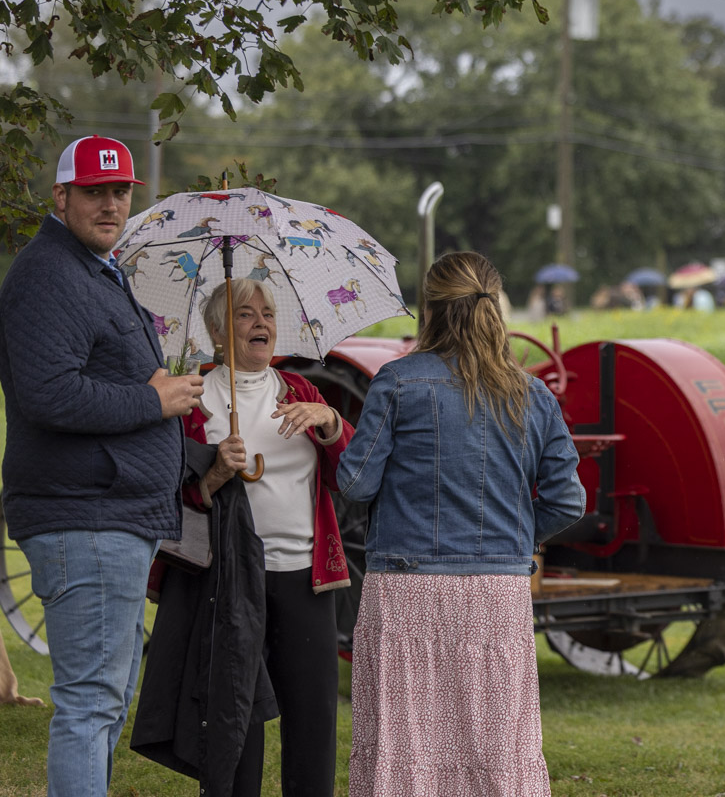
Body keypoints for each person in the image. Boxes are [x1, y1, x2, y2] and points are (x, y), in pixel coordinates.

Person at [0, 135, 204, 797]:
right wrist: (153, 398)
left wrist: (166, 399)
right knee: (90, 705)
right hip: (85, 518)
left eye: (120, 191)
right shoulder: (49, 275)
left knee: (103, 705)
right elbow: (48, 393)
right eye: (95, 191)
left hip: (108, 516)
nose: (111, 204)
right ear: (61, 196)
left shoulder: (95, 270)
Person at [338, 251, 584, 797]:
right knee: (495, 751)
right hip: (497, 594)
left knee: (405, 748)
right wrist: (518, 537)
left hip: (406, 589)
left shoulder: (397, 382)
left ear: (429, 311)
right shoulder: (533, 394)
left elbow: (355, 485)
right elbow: (569, 500)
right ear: (494, 306)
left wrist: (337, 431)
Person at [133, 277, 354, 797]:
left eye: (268, 314)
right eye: (245, 314)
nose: (261, 323)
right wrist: (211, 478)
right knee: (234, 720)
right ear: (215, 330)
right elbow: (162, 494)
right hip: (227, 585)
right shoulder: (192, 399)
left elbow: (355, 473)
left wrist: (329, 422)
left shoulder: (302, 391)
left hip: (303, 577)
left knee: (312, 717)